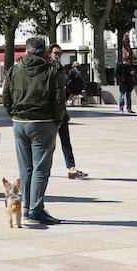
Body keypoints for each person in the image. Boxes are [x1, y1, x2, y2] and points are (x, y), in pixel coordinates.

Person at [2, 36, 66, 226]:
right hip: (43, 122)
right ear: (44, 51)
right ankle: (35, 209)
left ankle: (27, 206)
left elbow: (6, 96)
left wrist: (14, 113)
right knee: (41, 167)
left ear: (27, 50)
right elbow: (59, 99)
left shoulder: (15, 69)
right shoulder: (51, 71)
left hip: (20, 122)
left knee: (25, 167)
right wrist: (58, 120)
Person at [48, 45, 88, 180]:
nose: (58, 55)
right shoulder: (45, 68)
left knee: (65, 140)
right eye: (56, 53)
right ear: (49, 53)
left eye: (60, 53)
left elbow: (63, 88)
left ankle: (71, 168)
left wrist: (69, 95)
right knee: (48, 143)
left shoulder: (61, 68)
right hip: (48, 112)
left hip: (61, 110)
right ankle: (42, 169)